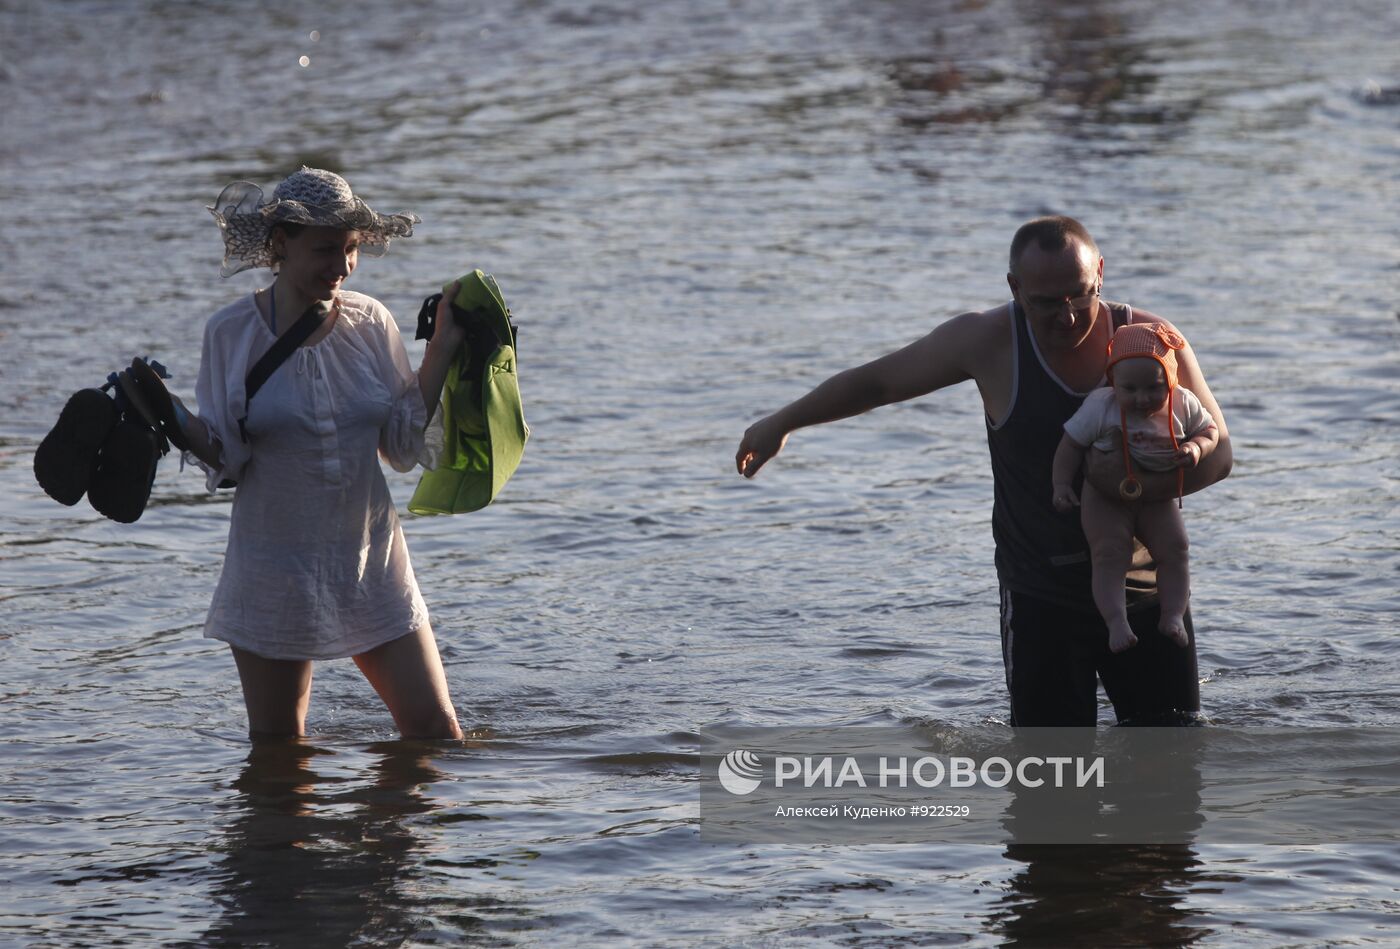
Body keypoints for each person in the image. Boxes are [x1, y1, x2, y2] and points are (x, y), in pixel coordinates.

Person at [735, 216, 1232, 727]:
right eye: (1045, 302)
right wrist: (784, 421)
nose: (1066, 316)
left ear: (1100, 274)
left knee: (1169, 772)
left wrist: (1131, 484)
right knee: (1050, 782)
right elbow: (879, 383)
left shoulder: (1154, 342)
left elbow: (1219, 454)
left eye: (1079, 296)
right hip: (1042, 597)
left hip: (1146, 594)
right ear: (1015, 288)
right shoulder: (987, 340)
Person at [163, 166, 467, 740]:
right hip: (273, 568)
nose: (343, 266)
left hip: (371, 560)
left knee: (436, 733)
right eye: (327, 249)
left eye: (351, 249)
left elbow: (402, 447)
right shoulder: (230, 332)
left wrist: (443, 348)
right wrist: (172, 419)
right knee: (281, 759)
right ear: (280, 244)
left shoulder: (370, 322)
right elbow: (228, 459)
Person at [1051, 322, 1220, 653]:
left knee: (1176, 549)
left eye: (1153, 388)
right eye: (1130, 389)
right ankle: (1116, 622)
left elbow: (1210, 430)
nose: (1142, 398)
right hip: (1103, 497)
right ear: (1114, 382)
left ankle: (1172, 615)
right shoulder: (1102, 405)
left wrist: (1197, 448)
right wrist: (1060, 485)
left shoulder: (1181, 403)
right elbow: (1070, 445)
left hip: (1157, 496)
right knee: (1109, 552)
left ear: (1169, 380)